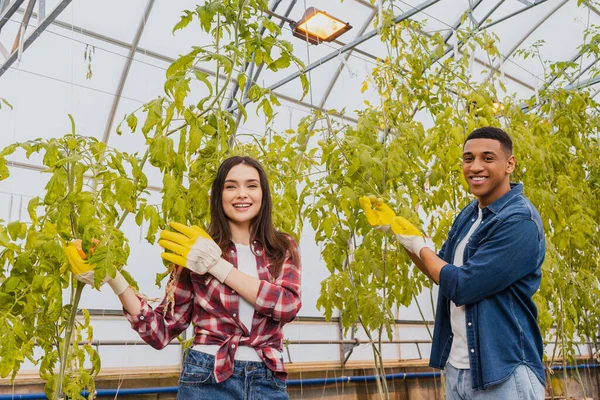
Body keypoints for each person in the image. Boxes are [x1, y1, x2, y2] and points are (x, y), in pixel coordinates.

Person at [64, 155, 302, 399]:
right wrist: (115, 279)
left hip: (267, 380)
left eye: (251, 185)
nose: (242, 193)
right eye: (231, 186)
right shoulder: (195, 250)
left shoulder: (282, 247)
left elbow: (287, 306)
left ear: (263, 194)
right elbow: (160, 332)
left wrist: (216, 266)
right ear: (219, 196)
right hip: (207, 377)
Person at [360, 127, 546, 399]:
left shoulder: (519, 220)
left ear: (510, 164)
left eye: (487, 158)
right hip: (459, 370)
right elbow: (441, 274)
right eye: (468, 158)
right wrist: (400, 234)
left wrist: (418, 243)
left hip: (503, 373)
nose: (476, 166)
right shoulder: (470, 214)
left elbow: (462, 286)